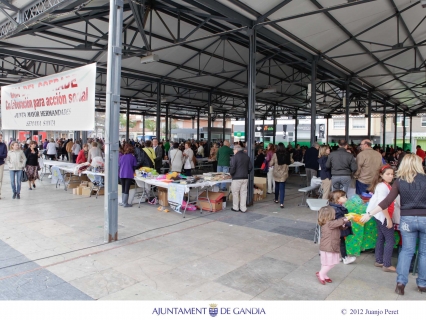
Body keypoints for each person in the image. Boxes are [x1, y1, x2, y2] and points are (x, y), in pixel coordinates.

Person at [361, 154, 426, 295]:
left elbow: (386, 202)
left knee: (407, 251)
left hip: (407, 220)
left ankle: (401, 283)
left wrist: (370, 213)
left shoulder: (399, 182)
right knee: (424, 253)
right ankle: (422, 284)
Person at [365, 165, 396, 272]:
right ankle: (386, 264)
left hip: (379, 215)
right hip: (383, 215)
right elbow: (383, 205)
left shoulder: (384, 185)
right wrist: (388, 219)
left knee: (381, 238)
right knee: (390, 240)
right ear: (381, 175)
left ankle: (379, 260)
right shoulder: (383, 187)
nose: (390, 176)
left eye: (392, 174)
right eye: (388, 174)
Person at [316, 206, 350, 285]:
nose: (335, 215)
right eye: (334, 214)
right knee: (332, 263)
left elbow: (338, 226)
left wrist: (343, 226)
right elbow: (338, 222)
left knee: (325, 263)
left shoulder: (328, 223)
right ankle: (321, 273)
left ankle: (324, 274)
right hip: (330, 247)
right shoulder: (330, 223)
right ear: (330, 215)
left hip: (326, 247)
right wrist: (345, 219)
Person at [328, 190, 356, 265]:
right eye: (343, 197)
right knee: (341, 244)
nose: (346, 198)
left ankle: (337, 257)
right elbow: (340, 220)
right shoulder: (337, 209)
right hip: (339, 230)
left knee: (338, 244)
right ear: (337, 199)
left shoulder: (334, 207)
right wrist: (348, 220)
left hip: (336, 230)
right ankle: (345, 258)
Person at [229, 145, 252, 213]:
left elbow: (233, 168)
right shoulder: (246, 157)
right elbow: (250, 167)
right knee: (243, 193)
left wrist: (231, 174)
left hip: (236, 178)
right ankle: (243, 208)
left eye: (233, 150)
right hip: (245, 177)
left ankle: (235, 207)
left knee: (235, 193)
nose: (233, 151)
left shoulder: (234, 157)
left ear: (236, 150)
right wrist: (246, 172)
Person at [268, 142, 290, 209]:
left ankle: (276, 199)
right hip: (284, 173)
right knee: (282, 188)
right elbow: (291, 161)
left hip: (277, 173)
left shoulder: (275, 154)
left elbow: (271, 163)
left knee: (277, 186)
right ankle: (282, 203)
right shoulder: (287, 154)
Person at [0, 133, 7, 200]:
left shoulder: (3, 145)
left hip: (1, 164)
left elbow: (5, 155)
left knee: (0, 179)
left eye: (0, 138)